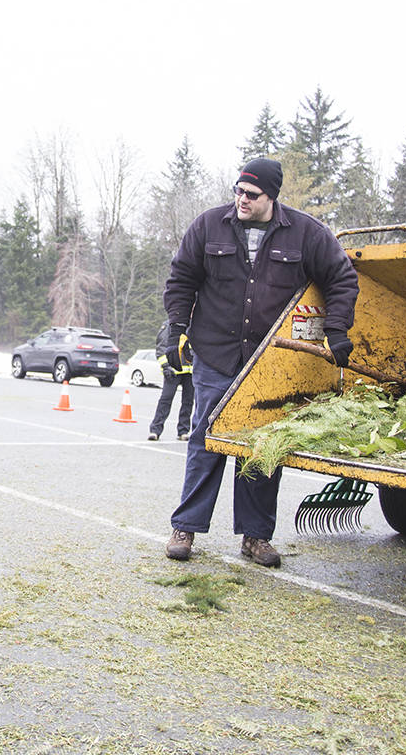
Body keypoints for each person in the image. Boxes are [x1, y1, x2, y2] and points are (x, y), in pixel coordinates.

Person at [162, 157, 359, 568]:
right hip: (216, 353)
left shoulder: (307, 233)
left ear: (272, 197)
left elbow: (342, 278)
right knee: (206, 439)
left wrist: (337, 330)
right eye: (238, 191)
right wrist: (176, 328)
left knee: (262, 449)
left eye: (251, 194)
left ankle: (255, 537)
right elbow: (181, 278)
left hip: (270, 362)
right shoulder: (208, 225)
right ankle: (186, 528)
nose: (241, 200)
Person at [147, 320, 194, 441]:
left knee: (188, 402)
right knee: (165, 400)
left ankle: (183, 431)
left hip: (190, 371)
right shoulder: (170, 324)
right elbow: (161, 346)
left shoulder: (194, 323)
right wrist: (166, 366)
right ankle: (155, 430)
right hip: (173, 371)